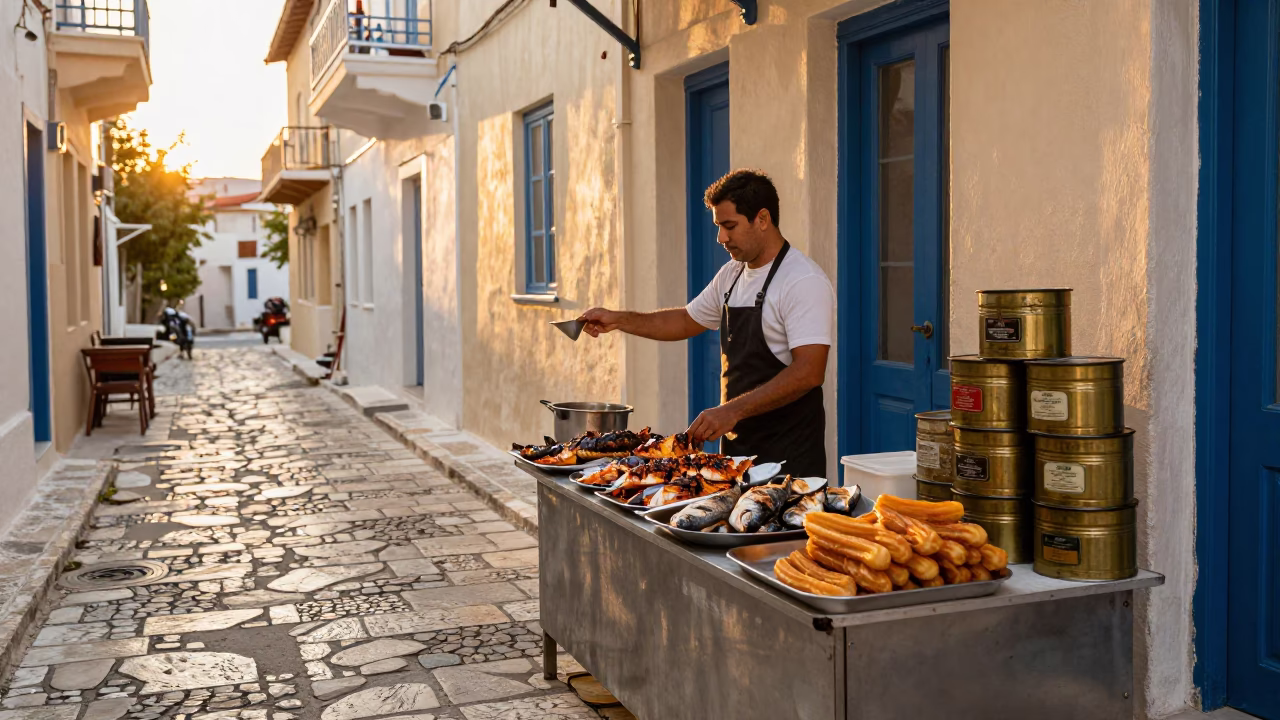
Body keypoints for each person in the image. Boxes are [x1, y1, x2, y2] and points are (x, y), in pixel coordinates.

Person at [579, 169, 835, 478]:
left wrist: (732, 410)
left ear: (763, 219)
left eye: (729, 226)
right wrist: (618, 319)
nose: (721, 238)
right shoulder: (732, 273)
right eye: (718, 227)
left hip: (790, 460)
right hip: (738, 455)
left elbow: (809, 371)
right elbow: (686, 320)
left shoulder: (802, 280)